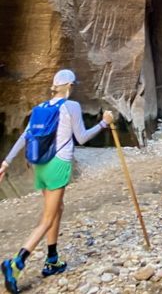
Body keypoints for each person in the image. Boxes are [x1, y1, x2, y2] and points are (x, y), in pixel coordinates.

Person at [0, 70, 113, 292]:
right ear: (69, 86)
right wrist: (104, 124)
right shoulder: (71, 106)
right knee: (47, 219)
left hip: (40, 166)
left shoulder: (40, 108)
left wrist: (5, 163)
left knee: (57, 208)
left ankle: (52, 260)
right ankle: (15, 263)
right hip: (58, 165)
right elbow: (81, 138)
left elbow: (25, 136)